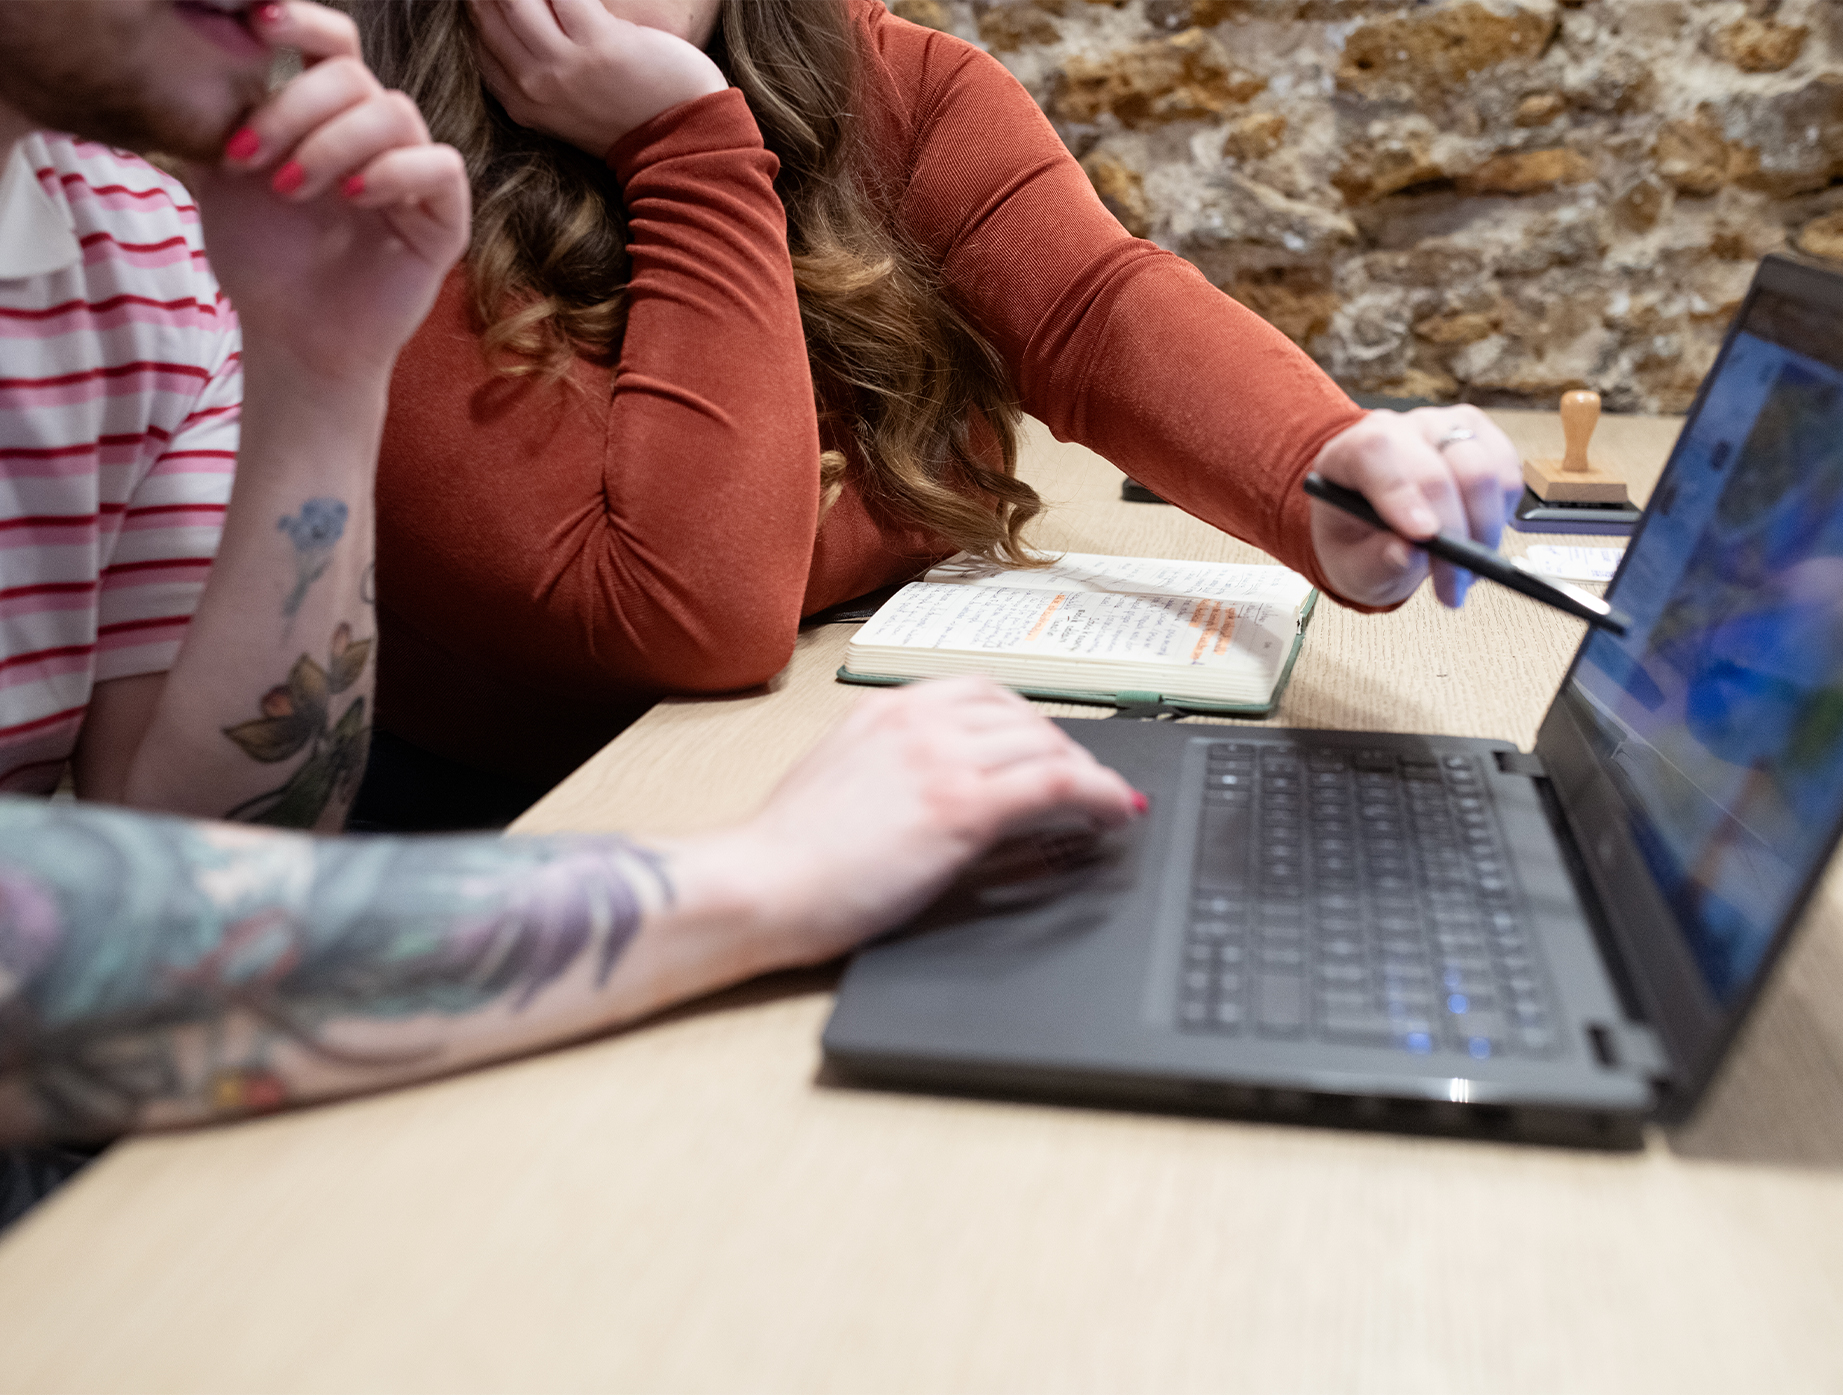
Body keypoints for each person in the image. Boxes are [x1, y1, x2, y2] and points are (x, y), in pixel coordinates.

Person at [0, 0, 1141, 1195]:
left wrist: (317, 379)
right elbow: (689, 603)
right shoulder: (407, 140)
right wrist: (762, 884)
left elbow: (194, 868)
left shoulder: (136, 242)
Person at [352, 0, 1527, 828]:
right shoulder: (363, 170)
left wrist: (1321, 471)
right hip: (525, 833)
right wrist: (684, 146)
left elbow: (1091, 311)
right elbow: (688, 609)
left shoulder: (888, 80)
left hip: (821, 765)